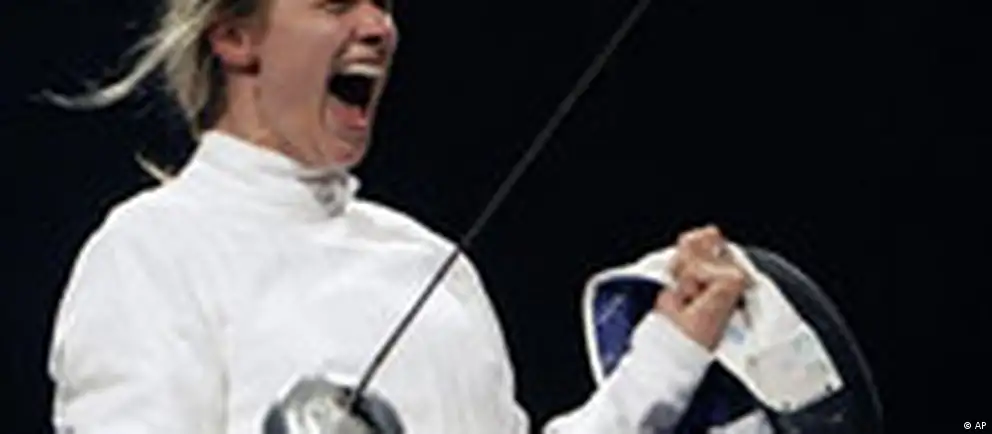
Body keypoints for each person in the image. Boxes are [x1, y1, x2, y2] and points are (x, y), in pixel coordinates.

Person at [46, 0, 752, 432]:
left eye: (381, 2)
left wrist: (669, 351)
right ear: (235, 37)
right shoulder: (152, 249)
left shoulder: (428, 262)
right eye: (335, 3)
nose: (379, 27)